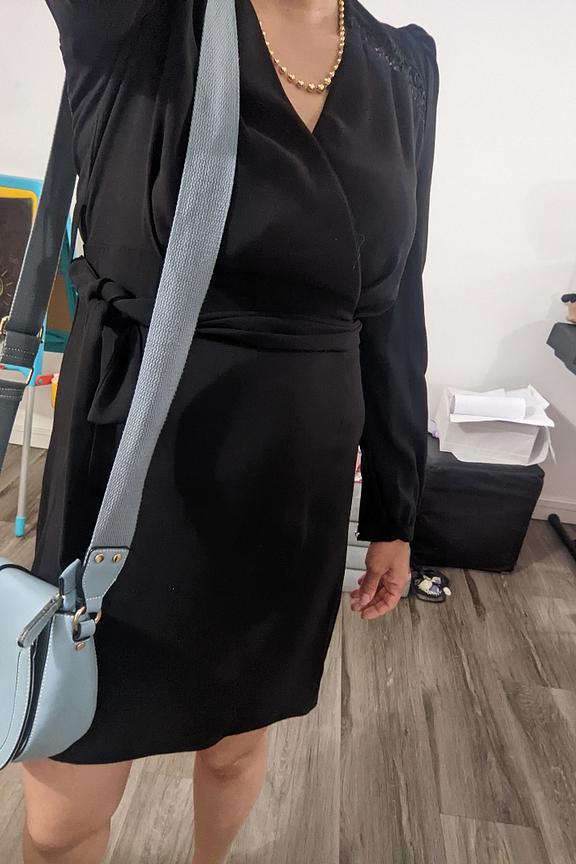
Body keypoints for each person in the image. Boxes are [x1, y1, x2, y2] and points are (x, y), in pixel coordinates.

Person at [20, 0, 439, 861]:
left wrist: (397, 509)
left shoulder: (403, 65)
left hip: (294, 483)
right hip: (132, 465)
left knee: (238, 745)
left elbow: (396, 306)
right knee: (67, 801)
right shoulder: (139, 23)